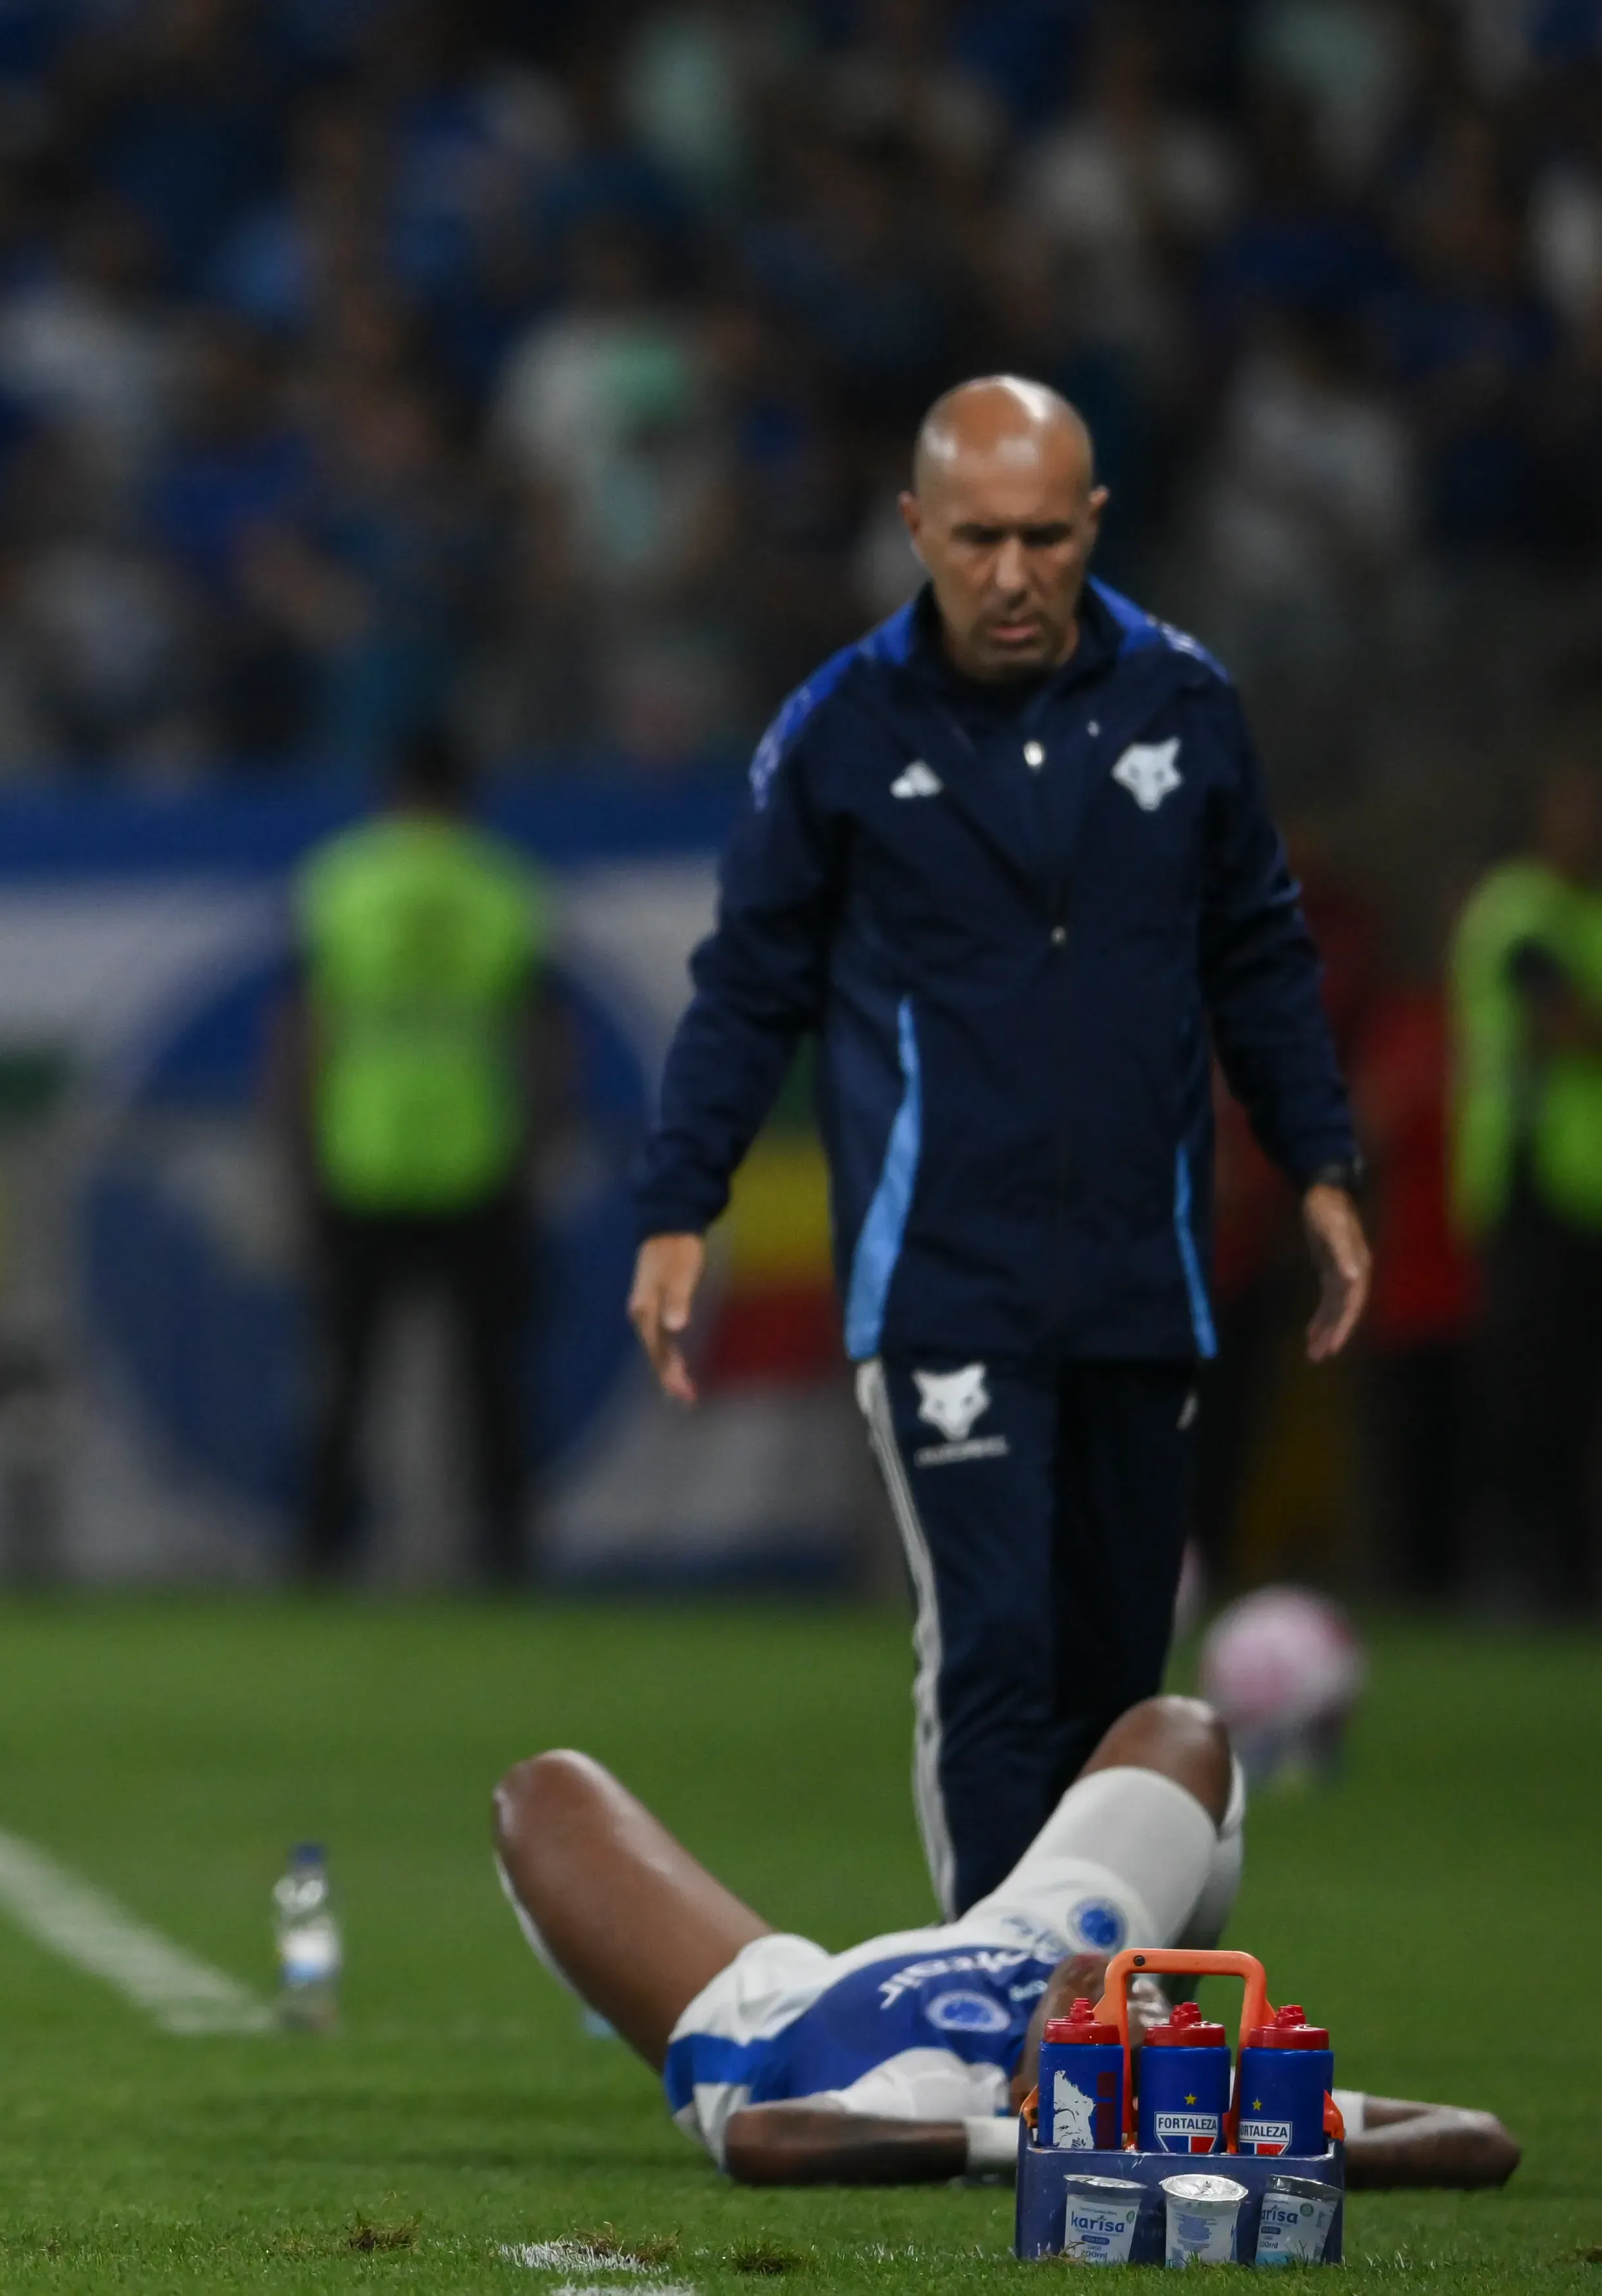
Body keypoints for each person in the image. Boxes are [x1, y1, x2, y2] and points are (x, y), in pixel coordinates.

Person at [628, 376, 1369, 1919]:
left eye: (1044, 537)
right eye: (976, 540)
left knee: (1114, 1666)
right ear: (914, 529)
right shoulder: (835, 733)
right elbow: (748, 982)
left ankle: (1110, 2000)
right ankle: (994, 2002)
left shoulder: (1182, 705)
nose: (1012, 574)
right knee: (991, 1642)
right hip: (939, 1279)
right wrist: (678, 1199)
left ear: (1092, 523)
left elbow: (1258, 952)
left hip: (1136, 1272)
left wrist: (1318, 1166)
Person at [493, 1696, 1520, 2188]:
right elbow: (1478, 2134)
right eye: (1146, 2011)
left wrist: (1027, 2145)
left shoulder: (932, 2092)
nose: (1119, 1997)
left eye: (1107, 2025)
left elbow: (758, 2141)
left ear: (1051, 2082)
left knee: (541, 1794)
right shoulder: (1190, 2095)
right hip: (1014, 1926)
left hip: (772, 2009)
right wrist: (1237, 2147)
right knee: (1183, 1729)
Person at [288, 722, 552, 1585]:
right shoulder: (502, 883)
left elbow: (302, 1030)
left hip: (361, 1150)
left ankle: (323, 1550)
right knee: (489, 1380)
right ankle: (505, 1549)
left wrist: (294, 1146)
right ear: (466, 794)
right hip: (478, 1153)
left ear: (391, 789)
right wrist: (538, 1145)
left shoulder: (342, 878)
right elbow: (540, 1035)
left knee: (347, 1375)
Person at [1448, 759, 1602, 1617]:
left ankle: (1569, 1574)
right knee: (1525, 1390)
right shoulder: (1517, 906)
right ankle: (1506, 1567)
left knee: (1575, 1396)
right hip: (1529, 1183)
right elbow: (1561, 1016)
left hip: (1590, 1193)